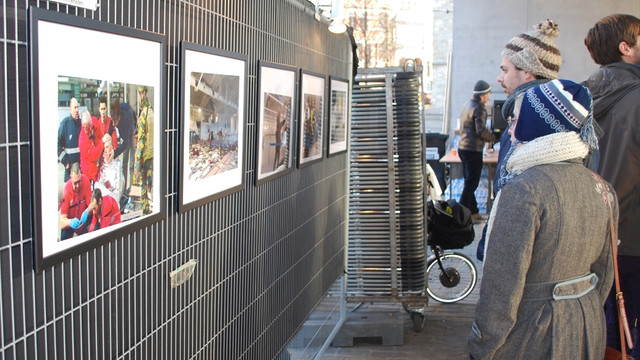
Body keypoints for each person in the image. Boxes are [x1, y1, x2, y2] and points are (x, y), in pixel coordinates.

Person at [467, 79, 615, 359]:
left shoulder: (524, 190)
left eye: (515, 120)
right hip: (587, 328)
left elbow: (501, 289)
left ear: (537, 123)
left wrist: (481, 346)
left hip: (534, 335)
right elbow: (604, 275)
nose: (509, 128)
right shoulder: (602, 188)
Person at [477, 19, 563, 260]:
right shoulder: (557, 113)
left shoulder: (527, 119)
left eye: (505, 69)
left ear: (527, 70)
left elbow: (513, 192)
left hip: (522, 250)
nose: (499, 78)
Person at [582, 14, 640, 359]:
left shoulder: (577, 99)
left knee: (600, 318)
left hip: (587, 234)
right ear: (626, 48)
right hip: (632, 233)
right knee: (628, 322)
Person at [457, 80, 495, 222]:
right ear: (483, 95)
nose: (489, 95)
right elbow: (480, 131)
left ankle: (474, 212)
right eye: (488, 93)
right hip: (473, 149)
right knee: (471, 184)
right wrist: (492, 137)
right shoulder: (479, 107)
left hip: (463, 148)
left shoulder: (467, 104)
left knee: (469, 181)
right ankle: (460, 215)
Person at [59, 162, 92, 240]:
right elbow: (62, 222)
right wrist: (70, 222)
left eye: (79, 181)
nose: (77, 185)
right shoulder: (66, 190)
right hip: (71, 223)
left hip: (82, 221)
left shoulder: (85, 181)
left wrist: (87, 211)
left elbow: (92, 204)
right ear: (70, 178)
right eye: (75, 183)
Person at [135, 86, 154, 215]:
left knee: (144, 186)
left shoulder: (144, 114)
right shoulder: (152, 112)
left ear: (142, 94)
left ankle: (146, 211)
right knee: (151, 184)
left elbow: (141, 141)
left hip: (146, 157)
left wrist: (137, 163)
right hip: (153, 155)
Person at [110, 101, 136, 194]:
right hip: (125, 134)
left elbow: (125, 144)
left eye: (115, 122)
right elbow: (110, 130)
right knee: (123, 164)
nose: (114, 124)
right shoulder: (115, 116)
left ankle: (131, 189)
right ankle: (124, 189)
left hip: (131, 131)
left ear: (119, 119)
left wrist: (115, 153)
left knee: (131, 164)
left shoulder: (126, 120)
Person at [94, 134, 124, 206]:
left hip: (113, 203)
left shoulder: (117, 166)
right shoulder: (101, 168)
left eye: (107, 147)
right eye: (104, 148)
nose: (106, 151)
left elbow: (119, 190)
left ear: (111, 148)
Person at [58, 97, 81, 182]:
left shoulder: (82, 124)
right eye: (74, 107)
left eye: (78, 107)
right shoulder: (65, 124)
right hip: (69, 170)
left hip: (81, 170)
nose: (77, 110)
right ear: (70, 109)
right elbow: (57, 144)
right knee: (68, 193)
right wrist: (66, 162)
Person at [78, 110, 104, 183]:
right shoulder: (82, 140)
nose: (87, 131)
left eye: (89, 128)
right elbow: (93, 156)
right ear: (83, 126)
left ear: (91, 124)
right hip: (88, 172)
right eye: (85, 129)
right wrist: (101, 143)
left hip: (98, 167)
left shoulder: (95, 122)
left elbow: (100, 136)